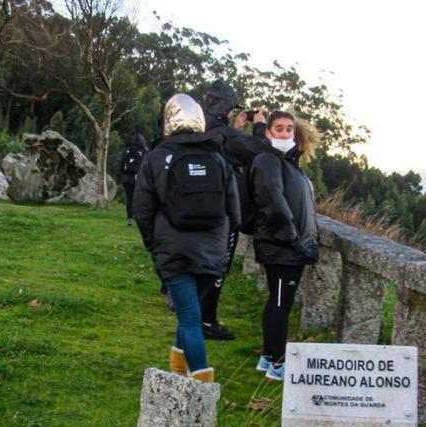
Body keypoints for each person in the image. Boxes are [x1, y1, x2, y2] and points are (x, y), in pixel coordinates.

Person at [133, 94, 241, 383]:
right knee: (189, 312)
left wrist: (153, 244)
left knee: (190, 318)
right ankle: (178, 373)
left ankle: (202, 387)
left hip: (174, 250)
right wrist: (221, 245)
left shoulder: (156, 158)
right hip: (212, 252)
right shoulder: (218, 158)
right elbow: (235, 212)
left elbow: (142, 209)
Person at [250, 110, 321, 381]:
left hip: (287, 247)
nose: (284, 133)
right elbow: (273, 201)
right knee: (280, 305)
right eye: (278, 128)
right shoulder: (268, 160)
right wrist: (293, 240)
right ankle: (278, 364)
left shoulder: (289, 163)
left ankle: (268, 357)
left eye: (289, 129)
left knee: (277, 303)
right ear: (268, 133)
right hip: (283, 248)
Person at [199, 80, 268, 340]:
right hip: (223, 212)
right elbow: (259, 152)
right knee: (218, 266)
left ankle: (193, 314)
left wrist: (236, 128)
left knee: (200, 263)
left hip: (194, 207)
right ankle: (206, 322)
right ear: (225, 107)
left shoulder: (199, 130)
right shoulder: (226, 135)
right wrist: (260, 124)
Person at [117, 133, 148, 225]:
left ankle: (129, 218)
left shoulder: (126, 151)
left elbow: (120, 166)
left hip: (126, 179)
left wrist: (122, 176)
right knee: (140, 199)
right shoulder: (144, 152)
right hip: (138, 179)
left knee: (129, 199)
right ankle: (140, 217)